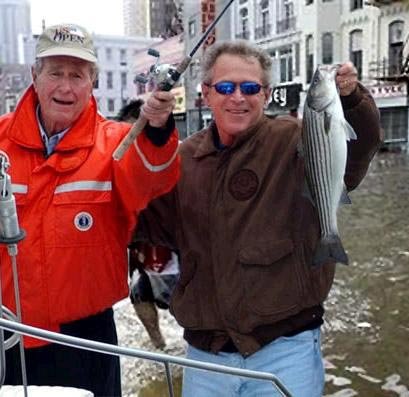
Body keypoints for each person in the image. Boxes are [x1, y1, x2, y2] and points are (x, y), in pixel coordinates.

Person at [136, 40, 381, 396]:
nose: (239, 97)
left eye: (250, 88)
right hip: (207, 357)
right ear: (206, 92)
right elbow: (143, 220)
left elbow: (358, 150)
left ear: (266, 94)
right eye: (226, 87)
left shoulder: (296, 138)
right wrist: (151, 140)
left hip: (286, 350)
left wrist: (353, 101)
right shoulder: (182, 159)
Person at [0, 24, 180, 396]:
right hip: (5, 332)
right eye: (55, 73)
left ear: (93, 82)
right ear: (35, 76)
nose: (66, 87)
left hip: (85, 341)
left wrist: (159, 130)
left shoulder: (117, 141)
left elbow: (153, 176)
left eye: (77, 75)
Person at [116, 99, 179, 349]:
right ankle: (160, 346)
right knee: (138, 293)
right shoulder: (117, 168)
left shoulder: (176, 162)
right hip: (147, 254)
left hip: (184, 255)